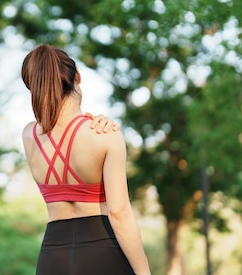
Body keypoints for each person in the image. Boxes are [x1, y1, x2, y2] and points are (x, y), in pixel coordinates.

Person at [21, 44, 151, 275]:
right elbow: (119, 213)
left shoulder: (29, 136)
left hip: (52, 259)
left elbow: (52, 127)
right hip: (103, 253)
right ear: (77, 76)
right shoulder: (104, 135)